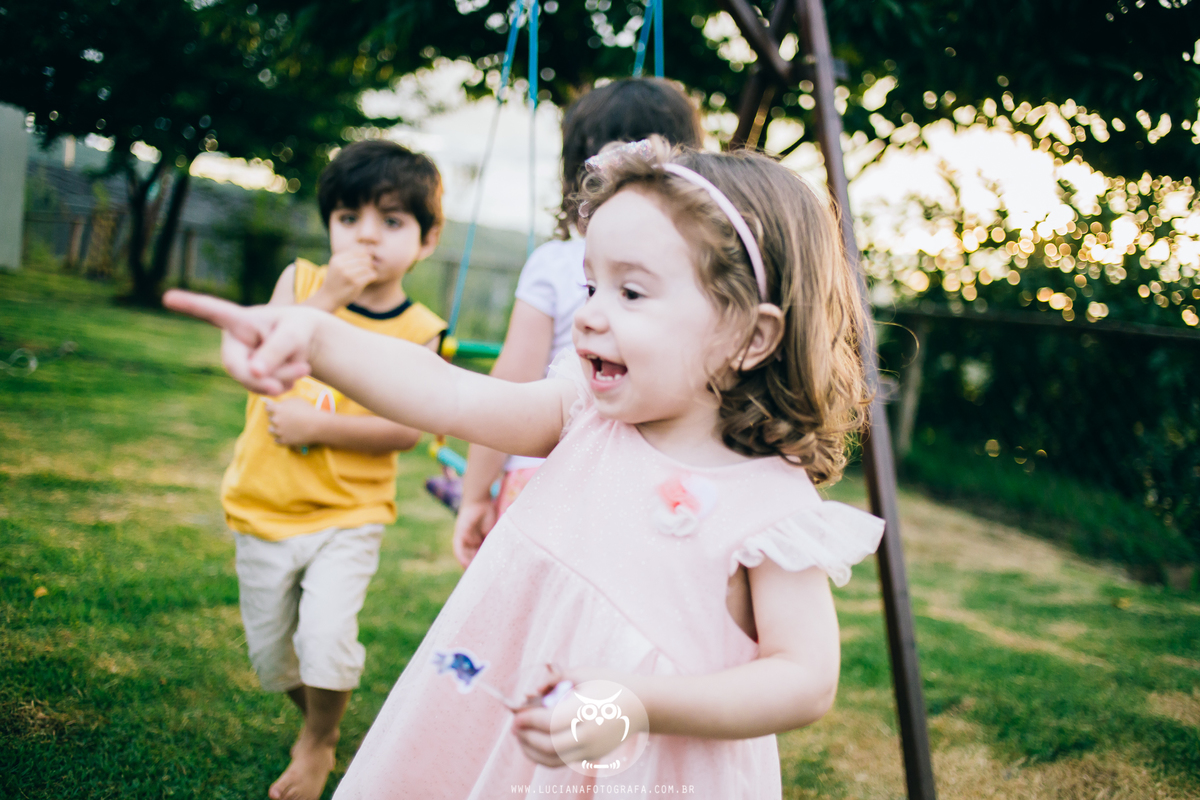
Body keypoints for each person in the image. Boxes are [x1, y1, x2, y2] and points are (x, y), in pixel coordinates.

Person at [166, 137, 885, 798]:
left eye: (630, 292)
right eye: (590, 286)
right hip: (489, 741)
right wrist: (315, 337)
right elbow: (448, 394)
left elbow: (803, 681)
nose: (592, 315)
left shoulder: (772, 515)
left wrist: (636, 702)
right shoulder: (582, 413)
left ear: (750, 335)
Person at [218, 140, 447, 800]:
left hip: (349, 515)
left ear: (426, 241)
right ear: (328, 227)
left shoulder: (420, 329)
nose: (366, 236)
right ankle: (323, 717)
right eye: (348, 218)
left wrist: (321, 427)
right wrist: (331, 297)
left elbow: (406, 427)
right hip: (263, 505)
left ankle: (317, 741)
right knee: (272, 658)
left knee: (325, 638)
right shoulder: (300, 284)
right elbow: (262, 357)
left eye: (392, 221)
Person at [453, 78, 704, 568]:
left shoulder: (554, 262)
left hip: (544, 474)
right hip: (643, 480)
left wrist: (474, 493)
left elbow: (512, 380)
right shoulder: (693, 268)